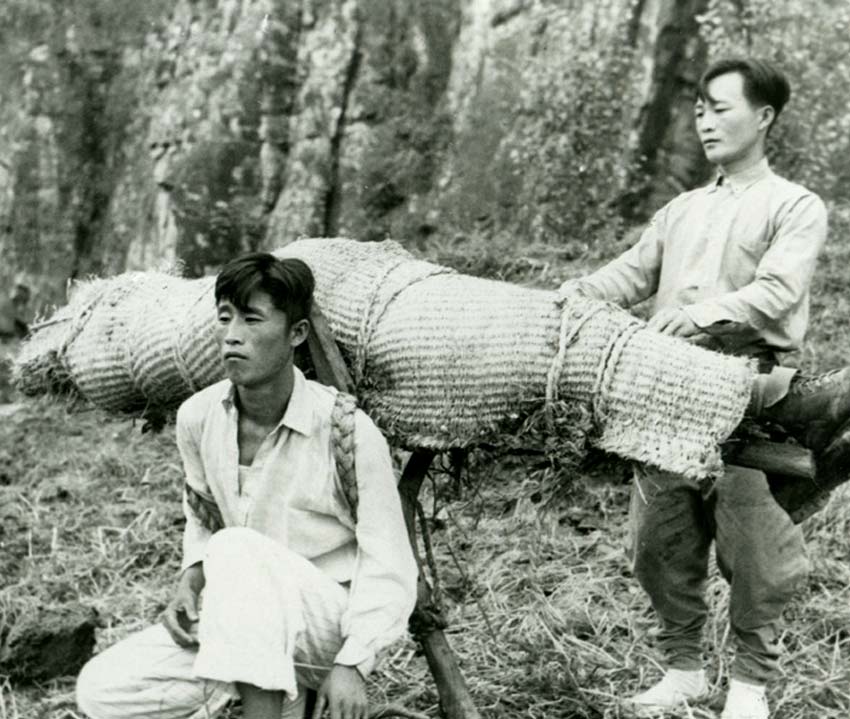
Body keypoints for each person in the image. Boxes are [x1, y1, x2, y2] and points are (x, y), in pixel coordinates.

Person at [559, 58, 845, 719]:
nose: (705, 120)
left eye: (720, 107)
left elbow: (777, 292)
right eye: (698, 110)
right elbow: (628, 274)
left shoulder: (794, 205)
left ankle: (749, 685)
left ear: (764, 116)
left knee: (753, 541)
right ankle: (682, 670)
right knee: (660, 538)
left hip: (750, 391)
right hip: (664, 390)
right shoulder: (681, 209)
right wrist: (577, 294)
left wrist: (697, 314)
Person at [75, 253, 418, 719]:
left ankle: (277, 702)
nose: (233, 335)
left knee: (236, 549)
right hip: (241, 618)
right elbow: (202, 516)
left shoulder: (347, 430)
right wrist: (189, 578)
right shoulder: (198, 417)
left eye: (252, 319)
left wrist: (352, 663)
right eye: (224, 318)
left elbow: (390, 565)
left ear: (296, 334)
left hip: (323, 626)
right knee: (103, 690)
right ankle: (278, 698)